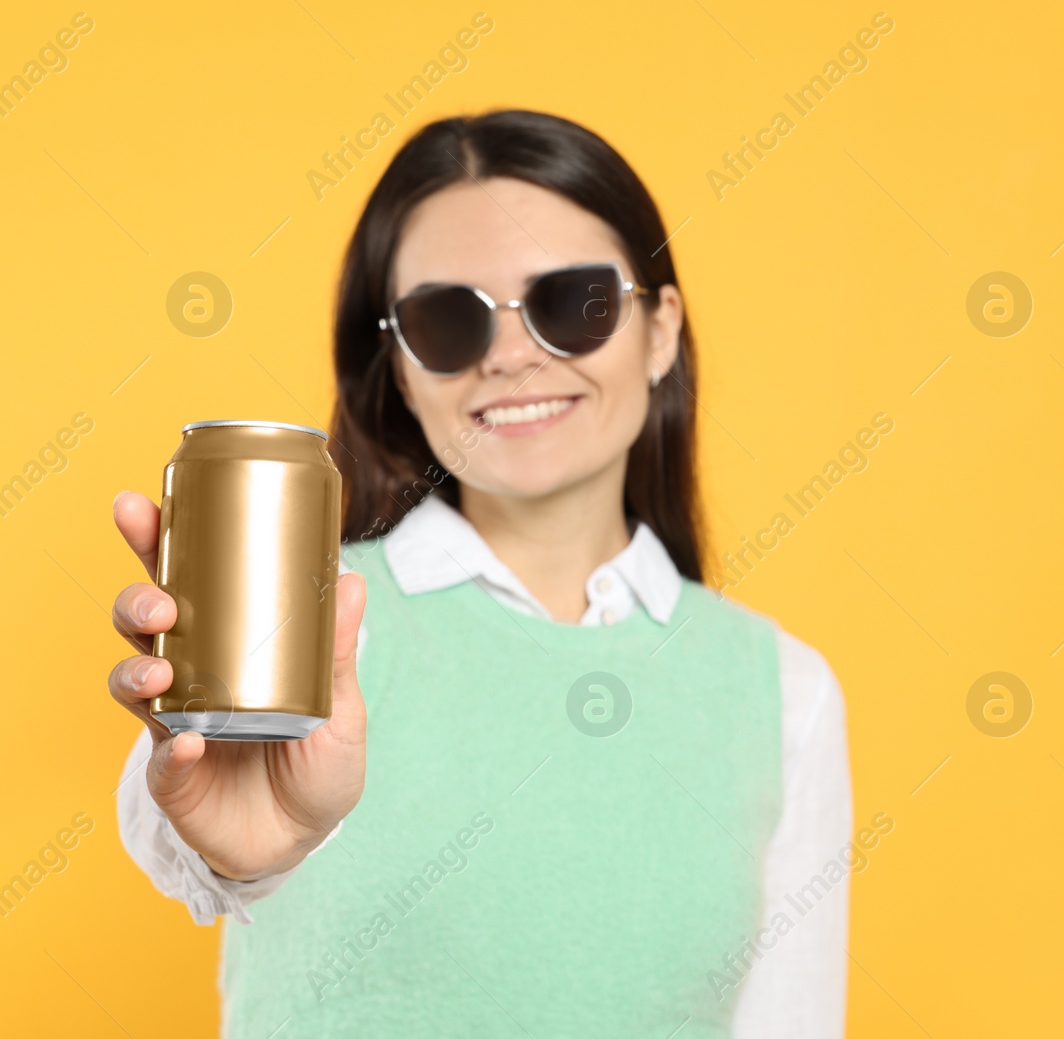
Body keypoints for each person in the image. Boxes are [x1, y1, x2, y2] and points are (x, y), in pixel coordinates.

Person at [108, 109, 852, 1037]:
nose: (509, 355)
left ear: (660, 329)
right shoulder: (317, 620)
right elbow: (185, 832)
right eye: (446, 318)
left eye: (572, 301)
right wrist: (233, 842)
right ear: (401, 371)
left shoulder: (784, 689)